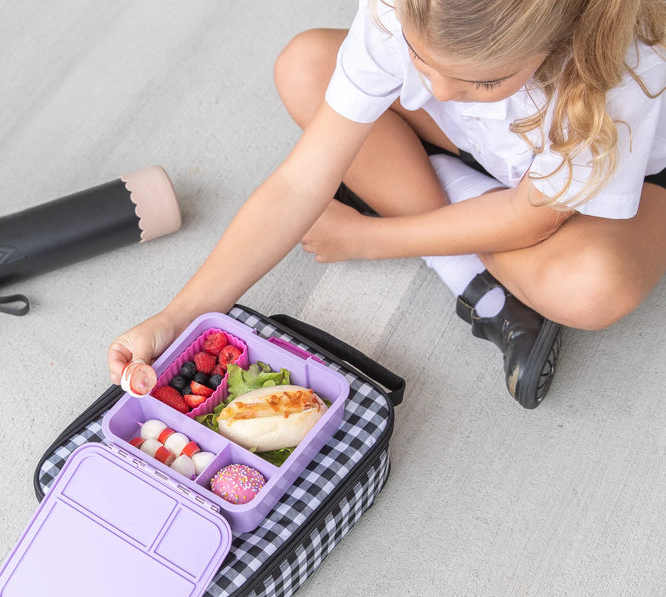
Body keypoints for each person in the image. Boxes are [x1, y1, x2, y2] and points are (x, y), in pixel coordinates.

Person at [108, 0, 666, 409]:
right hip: (496, 152)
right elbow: (300, 184)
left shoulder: (620, 67)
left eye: (485, 79)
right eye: (420, 60)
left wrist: (364, 240)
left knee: (593, 288)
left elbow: (529, 217)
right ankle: (468, 259)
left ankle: (446, 226)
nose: (439, 91)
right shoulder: (404, 13)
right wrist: (176, 318)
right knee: (305, 66)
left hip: (602, 177)